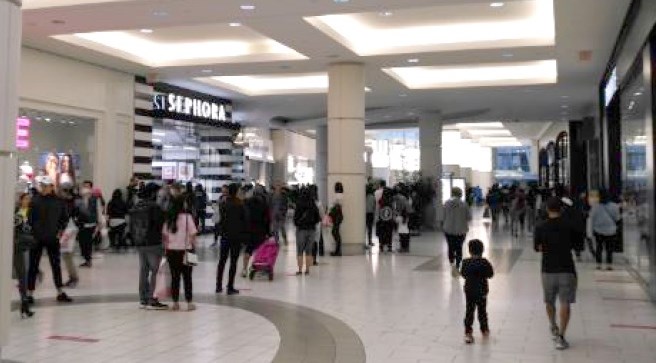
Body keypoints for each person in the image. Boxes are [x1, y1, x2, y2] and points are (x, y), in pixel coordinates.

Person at [534, 197, 578, 350]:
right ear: (562, 209)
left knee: (549, 301)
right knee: (565, 302)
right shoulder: (570, 226)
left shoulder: (540, 227)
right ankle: (562, 337)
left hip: (547, 269)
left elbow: (537, 247)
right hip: (567, 268)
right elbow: (577, 245)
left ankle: (553, 326)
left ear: (547, 209)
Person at [26, 176, 73, 303]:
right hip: (37, 238)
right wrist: (32, 231)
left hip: (52, 238)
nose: (44, 188)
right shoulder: (34, 201)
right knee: (33, 266)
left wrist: (60, 231)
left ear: (52, 187)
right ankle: (29, 293)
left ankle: (60, 292)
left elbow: (65, 218)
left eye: (46, 185)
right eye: (42, 185)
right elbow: (29, 218)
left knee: (55, 265)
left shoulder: (59, 201)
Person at [129, 183, 168, 310]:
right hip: (153, 242)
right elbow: (161, 223)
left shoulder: (137, 205)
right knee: (156, 271)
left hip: (140, 242)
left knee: (143, 271)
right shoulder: (155, 207)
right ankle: (153, 299)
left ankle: (143, 299)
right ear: (153, 193)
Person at [162, 197, 198, 311]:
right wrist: (194, 246)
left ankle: (175, 303)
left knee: (174, 277)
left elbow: (164, 235)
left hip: (171, 251)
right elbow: (193, 234)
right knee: (188, 278)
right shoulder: (188, 217)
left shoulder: (169, 218)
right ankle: (189, 302)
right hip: (187, 250)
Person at [460, 239, 494, 344]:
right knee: (482, 311)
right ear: (482, 250)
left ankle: (468, 331)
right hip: (482, 291)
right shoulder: (485, 262)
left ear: (470, 251)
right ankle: (484, 330)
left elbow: (463, 274)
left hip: (469, 291)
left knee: (469, 311)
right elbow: (491, 274)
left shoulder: (465, 262)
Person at [217, 183, 247, 295]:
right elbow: (245, 222)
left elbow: (220, 220)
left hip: (225, 236)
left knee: (222, 261)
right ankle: (230, 287)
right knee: (233, 262)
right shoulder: (240, 205)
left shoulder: (224, 203)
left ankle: (218, 285)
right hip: (236, 237)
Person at [442, 187, 472, 277]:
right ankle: (458, 266)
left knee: (450, 247)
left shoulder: (446, 203)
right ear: (460, 194)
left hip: (448, 229)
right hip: (461, 230)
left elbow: (443, 216)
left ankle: (452, 264)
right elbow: (469, 217)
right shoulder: (464, 204)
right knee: (459, 248)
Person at [14, 193, 35, 318]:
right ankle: (24, 303)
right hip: (18, 246)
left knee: (23, 275)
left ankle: (24, 303)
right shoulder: (16, 212)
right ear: (20, 200)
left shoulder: (32, 212)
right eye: (25, 199)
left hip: (25, 247)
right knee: (22, 275)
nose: (28, 201)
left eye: (29, 199)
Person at [242, 186, 270, 277]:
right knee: (259, 251)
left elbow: (243, 217)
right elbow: (267, 219)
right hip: (261, 231)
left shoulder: (247, 202)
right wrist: (268, 232)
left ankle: (244, 269)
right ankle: (257, 269)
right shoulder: (264, 204)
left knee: (248, 250)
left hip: (249, 230)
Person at [589, 190, 620, 270]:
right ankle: (609, 265)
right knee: (609, 248)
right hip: (611, 230)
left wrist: (591, 231)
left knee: (599, 248)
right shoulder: (615, 206)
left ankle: (598, 264)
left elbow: (592, 219)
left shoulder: (595, 207)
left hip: (598, 230)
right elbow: (617, 218)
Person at [294, 188, 321, 275]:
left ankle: (300, 269)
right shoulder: (313, 204)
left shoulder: (299, 204)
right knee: (309, 251)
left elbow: (295, 219)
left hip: (301, 230)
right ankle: (307, 270)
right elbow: (318, 218)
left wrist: (298, 224)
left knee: (300, 251)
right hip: (311, 230)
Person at [74, 180, 100, 267]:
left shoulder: (94, 199)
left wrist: (98, 223)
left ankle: (88, 260)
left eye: (87, 186)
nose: (85, 188)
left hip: (91, 224)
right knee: (82, 242)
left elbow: (98, 211)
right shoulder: (78, 200)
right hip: (81, 224)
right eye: (84, 186)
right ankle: (86, 258)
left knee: (88, 242)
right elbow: (75, 211)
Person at [377, 188, 396, 253]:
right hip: (389, 220)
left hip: (382, 219)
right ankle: (389, 246)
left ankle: (381, 245)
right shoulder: (391, 200)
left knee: (382, 233)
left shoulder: (381, 200)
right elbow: (393, 210)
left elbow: (378, 210)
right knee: (389, 233)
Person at [329, 183, 344, 256]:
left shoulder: (337, 195)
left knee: (335, 232)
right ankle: (338, 250)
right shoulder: (342, 195)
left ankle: (338, 251)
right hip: (339, 215)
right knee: (336, 232)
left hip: (336, 216)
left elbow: (334, 205)